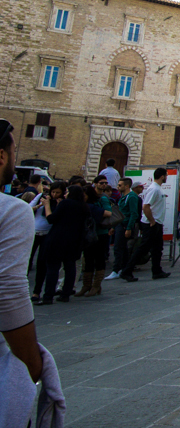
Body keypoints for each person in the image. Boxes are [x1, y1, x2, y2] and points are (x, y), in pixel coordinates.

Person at [0, 118, 43, 380]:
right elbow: (8, 292)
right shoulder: (12, 210)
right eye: (14, 153)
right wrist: (32, 365)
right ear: (2, 155)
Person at [40, 184, 88, 303]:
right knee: (70, 267)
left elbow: (51, 219)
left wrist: (47, 206)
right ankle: (66, 294)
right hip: (75, 240)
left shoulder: (65, 203)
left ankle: (48, 296)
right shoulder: (84, 206)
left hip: (58, 238)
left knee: (53, 267)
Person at [120, 169, 171, 282]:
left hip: (157, 222)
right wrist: (152, 220)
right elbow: (146, 206)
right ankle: (127, 271)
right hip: (151, 223)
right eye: (166, 175)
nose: (167, 177)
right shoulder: (154, 189)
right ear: (162, 176)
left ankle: (157, 270)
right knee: (143, 248)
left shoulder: (157, 188)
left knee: (157, 248)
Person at [77, 186, 111, 297]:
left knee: (99, 259)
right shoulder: (85, 205)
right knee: (88, 260)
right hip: (88, 236)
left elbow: (108, 213)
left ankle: (96, 286)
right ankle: (87, 285)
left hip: (100, 234)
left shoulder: (94, 205)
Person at [106, 178, 141, 280]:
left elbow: (133, 213)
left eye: (120, 185)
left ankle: (116, 269)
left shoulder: (131, 197)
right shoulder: (123, 197)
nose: (117, 187)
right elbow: (120, 213)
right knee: (123, 249)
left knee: (118, 247)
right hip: (119, 225)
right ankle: (124, 269)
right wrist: (113, 226)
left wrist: (129, 228)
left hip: (124, 225)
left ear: (126, 186)